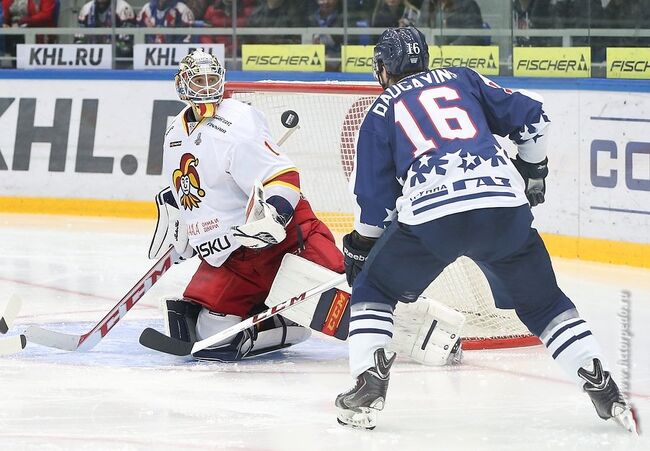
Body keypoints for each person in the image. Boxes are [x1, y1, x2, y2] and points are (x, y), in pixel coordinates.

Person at [334, 26, 638, 434]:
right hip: (503, 210)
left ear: (384, 67)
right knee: (546, 305)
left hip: (434, 217)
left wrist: (360, 247)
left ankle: (368, 388)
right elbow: (536, 118)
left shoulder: (380, 110)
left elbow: (377, 203)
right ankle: (603, 386)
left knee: (374, 292)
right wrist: (533, 168)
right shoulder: (463, 78)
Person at [148, 49, 345, 362]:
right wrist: (185, 231)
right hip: (232, 254)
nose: (206, 86)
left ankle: (302, 317)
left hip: (280, 239)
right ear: (182, 83)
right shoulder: (174, 131)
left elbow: (283, 175)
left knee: (343, 294)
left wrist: (275, 216)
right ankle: (279, 319)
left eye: (212, 78)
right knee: (211, 339)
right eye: (198, 79)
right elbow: (187, 192)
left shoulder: (238, 119)